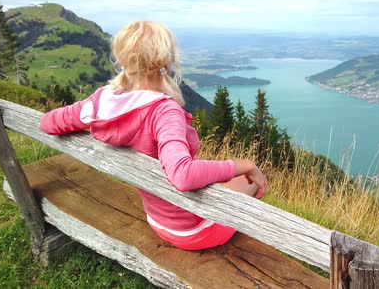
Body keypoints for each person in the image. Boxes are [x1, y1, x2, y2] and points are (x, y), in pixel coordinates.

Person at [39, 21, 267, 250]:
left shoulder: (100, 102)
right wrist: (245, 165)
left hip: (158, 219)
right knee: (249, 180)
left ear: (123, 58)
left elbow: (47, 123)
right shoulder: (163, 112)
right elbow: (183, 176)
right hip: (193, 230)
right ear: (165, 63)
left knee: (235, 181)